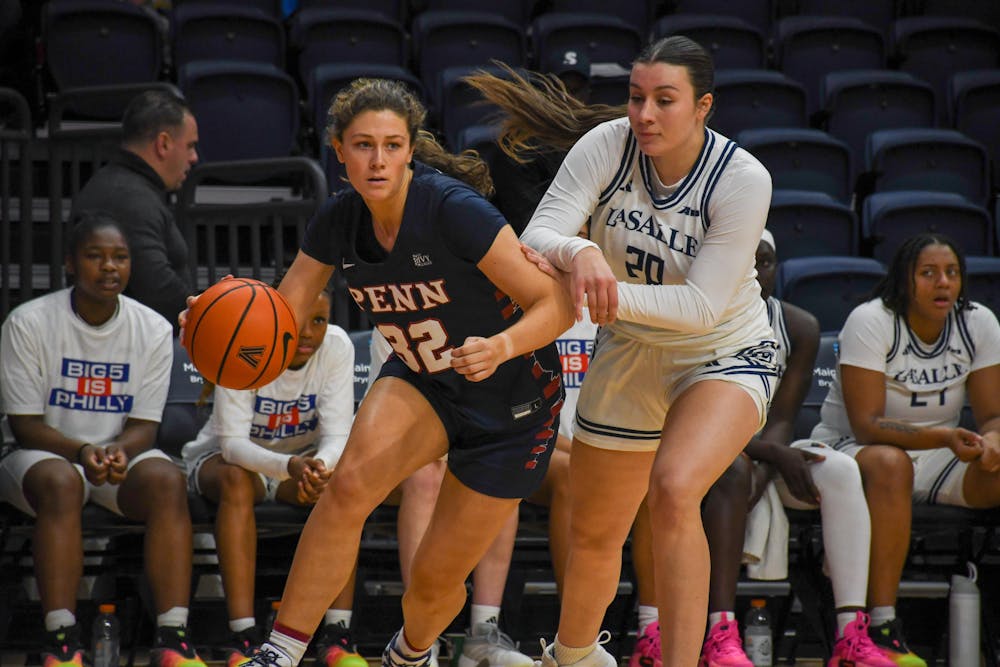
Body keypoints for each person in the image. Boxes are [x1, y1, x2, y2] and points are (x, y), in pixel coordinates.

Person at [185, 77, 573, 667]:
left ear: (411, 149)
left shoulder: (453, 209)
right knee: (346, 490)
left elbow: (559, 304)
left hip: (514, 403)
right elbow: (281, 318)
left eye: (392, 145)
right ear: (338, 150)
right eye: (363, 144)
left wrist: (501, 345)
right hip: (426, 379)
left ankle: (410, 653)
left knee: (432, 586)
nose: (378, 159)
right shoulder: (337, 221)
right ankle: (280, 652)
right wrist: (210, 319)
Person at [468, 36, 778, 667]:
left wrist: (595, 295)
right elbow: (541, 232)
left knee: (672, 489)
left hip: (722, 350)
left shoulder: (743, 178)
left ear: (703, 107)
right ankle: (575, 656)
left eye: (665, 100)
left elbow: (699, 310)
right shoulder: (607, 144)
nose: (644, 114)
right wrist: (581, 254)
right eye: (638, 98)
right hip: (631, 351)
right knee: (593, 532)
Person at [628, 229, 896, 667]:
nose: (755, 269)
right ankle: (719, 631)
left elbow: (784, 416)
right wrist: (768, 457)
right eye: (745, 258)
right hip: (700, 452)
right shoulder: (687, 314)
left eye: (766, 260)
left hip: (766, 453)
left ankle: (852, 636)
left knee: (841, 472)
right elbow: (680, 412)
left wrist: (767, 463)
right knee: (731, 468)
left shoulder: (798, 326)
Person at [0, 211, 206, 667]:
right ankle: (62, 639)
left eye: (120, 258)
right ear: (71, 263)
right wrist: (82, 451)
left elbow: (145, 426)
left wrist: (117, 451)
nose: (109, 267)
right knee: (62, 483)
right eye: (95, 256)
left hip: (117, 456)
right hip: (40, 457)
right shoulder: (28, 323)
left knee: (167, 481)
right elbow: (24, 423)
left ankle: (172, 637)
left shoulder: (152, 328)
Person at [806, 232, 1000, 667]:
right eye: (928, 273)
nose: (943, 284)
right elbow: (867, 424)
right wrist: (947, 438)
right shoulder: (872, 319)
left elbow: (991, 415)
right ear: (904, 280)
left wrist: (994, 441)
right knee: (891, 465)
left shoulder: (979, 323)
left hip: (936, 456)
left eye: (951, 273)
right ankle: (881, 625)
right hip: (852, 449)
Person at [181, 282, 366, 667]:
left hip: (296, 465)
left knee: (342, 482)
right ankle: (243, 634)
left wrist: (320, 467)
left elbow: (338, 435)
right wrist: (290, 467)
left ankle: (337, 635)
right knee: (235, 480)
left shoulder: (337, 346)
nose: (309, 332)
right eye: (301, 319)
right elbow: (231, 444)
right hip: (230, 461)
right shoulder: (247, 338)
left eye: (319, 320)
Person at [71, 89, 198, 332]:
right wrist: (208, 317)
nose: (194, 158)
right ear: (163, 144)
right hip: (132, 348)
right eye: (190, 146)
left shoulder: (129, 188)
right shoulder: (129, 198)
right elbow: (156, 288)